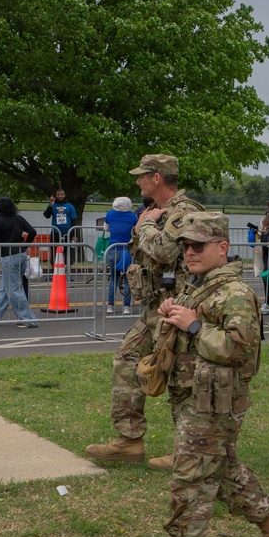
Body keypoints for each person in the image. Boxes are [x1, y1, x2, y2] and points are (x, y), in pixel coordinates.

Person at [138, 212, 269, 537]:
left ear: (222, 248)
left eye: (198, 245)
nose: (189, 252)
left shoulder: (235, 293)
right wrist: (172, 316)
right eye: (185, 246)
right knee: (221, 467)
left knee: (191, 477)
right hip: (194, 395)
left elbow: (237, 348)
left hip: (214, 402)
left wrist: (192, 325)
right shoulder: (200, 286)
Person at [84, 155, 204, 469]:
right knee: (127, 361)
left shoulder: (184, 211)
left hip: (177, 307)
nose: (137, 182)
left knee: (180, 379)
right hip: (155, 307)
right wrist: (144, 224)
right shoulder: (152, 211)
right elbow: (142, 251)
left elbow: (165, 250)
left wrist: (147, 225)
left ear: (157, 177)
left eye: (142, 176)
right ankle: (129, 439)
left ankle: (188, 451)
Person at [0, 197, 39, 327]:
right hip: (21, 254)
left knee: (13, 289)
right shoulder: (19, 219)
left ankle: (29, 320)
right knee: (5, 288)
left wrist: (0, 252)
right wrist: (25, 245)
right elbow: (32, 232)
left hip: (8, 256)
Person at [105, 196, 138, 315]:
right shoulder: (133, 216)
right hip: (127, 251)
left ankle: (110, 305)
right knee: (127, 279)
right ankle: (126, 306)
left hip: (113, 248)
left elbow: (106, 228)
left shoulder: (109, 214)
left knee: (113, 278)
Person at [43, 189, 77, 259]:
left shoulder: (70, 206)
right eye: (58, 194)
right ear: (55, 196)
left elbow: (74, 221)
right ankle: (54, 267)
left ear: (64, 195)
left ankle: (68, 267)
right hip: (55, 232)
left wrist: (73, 234)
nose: (60, 196)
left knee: (68, 251)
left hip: (67, 232)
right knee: (54, 251)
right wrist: (51, 205)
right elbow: (46, 215)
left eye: (62, 194)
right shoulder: (52, 205)